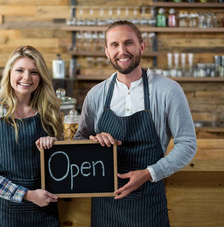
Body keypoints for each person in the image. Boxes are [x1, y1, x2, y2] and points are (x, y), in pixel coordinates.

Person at [73, 20, 197, 226]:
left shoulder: (168, 90)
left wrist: (149, 173)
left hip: (149, 201)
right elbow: (80, 138)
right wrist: (93, 141)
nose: (122, 51)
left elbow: (187, 143)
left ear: (141, 46)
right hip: (106, 204)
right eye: (114, 45)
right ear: (106, 51)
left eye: (128, 43)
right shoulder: (96, 94)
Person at [0, 45, 63, 227]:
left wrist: (57, 147)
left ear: (41, 77)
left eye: (34, 72)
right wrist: (28, 195)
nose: (26, 77)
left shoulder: (49, 113)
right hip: (7, 214)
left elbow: (63, 169)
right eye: (20, 70)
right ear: (9, 74)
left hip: (45, 212)